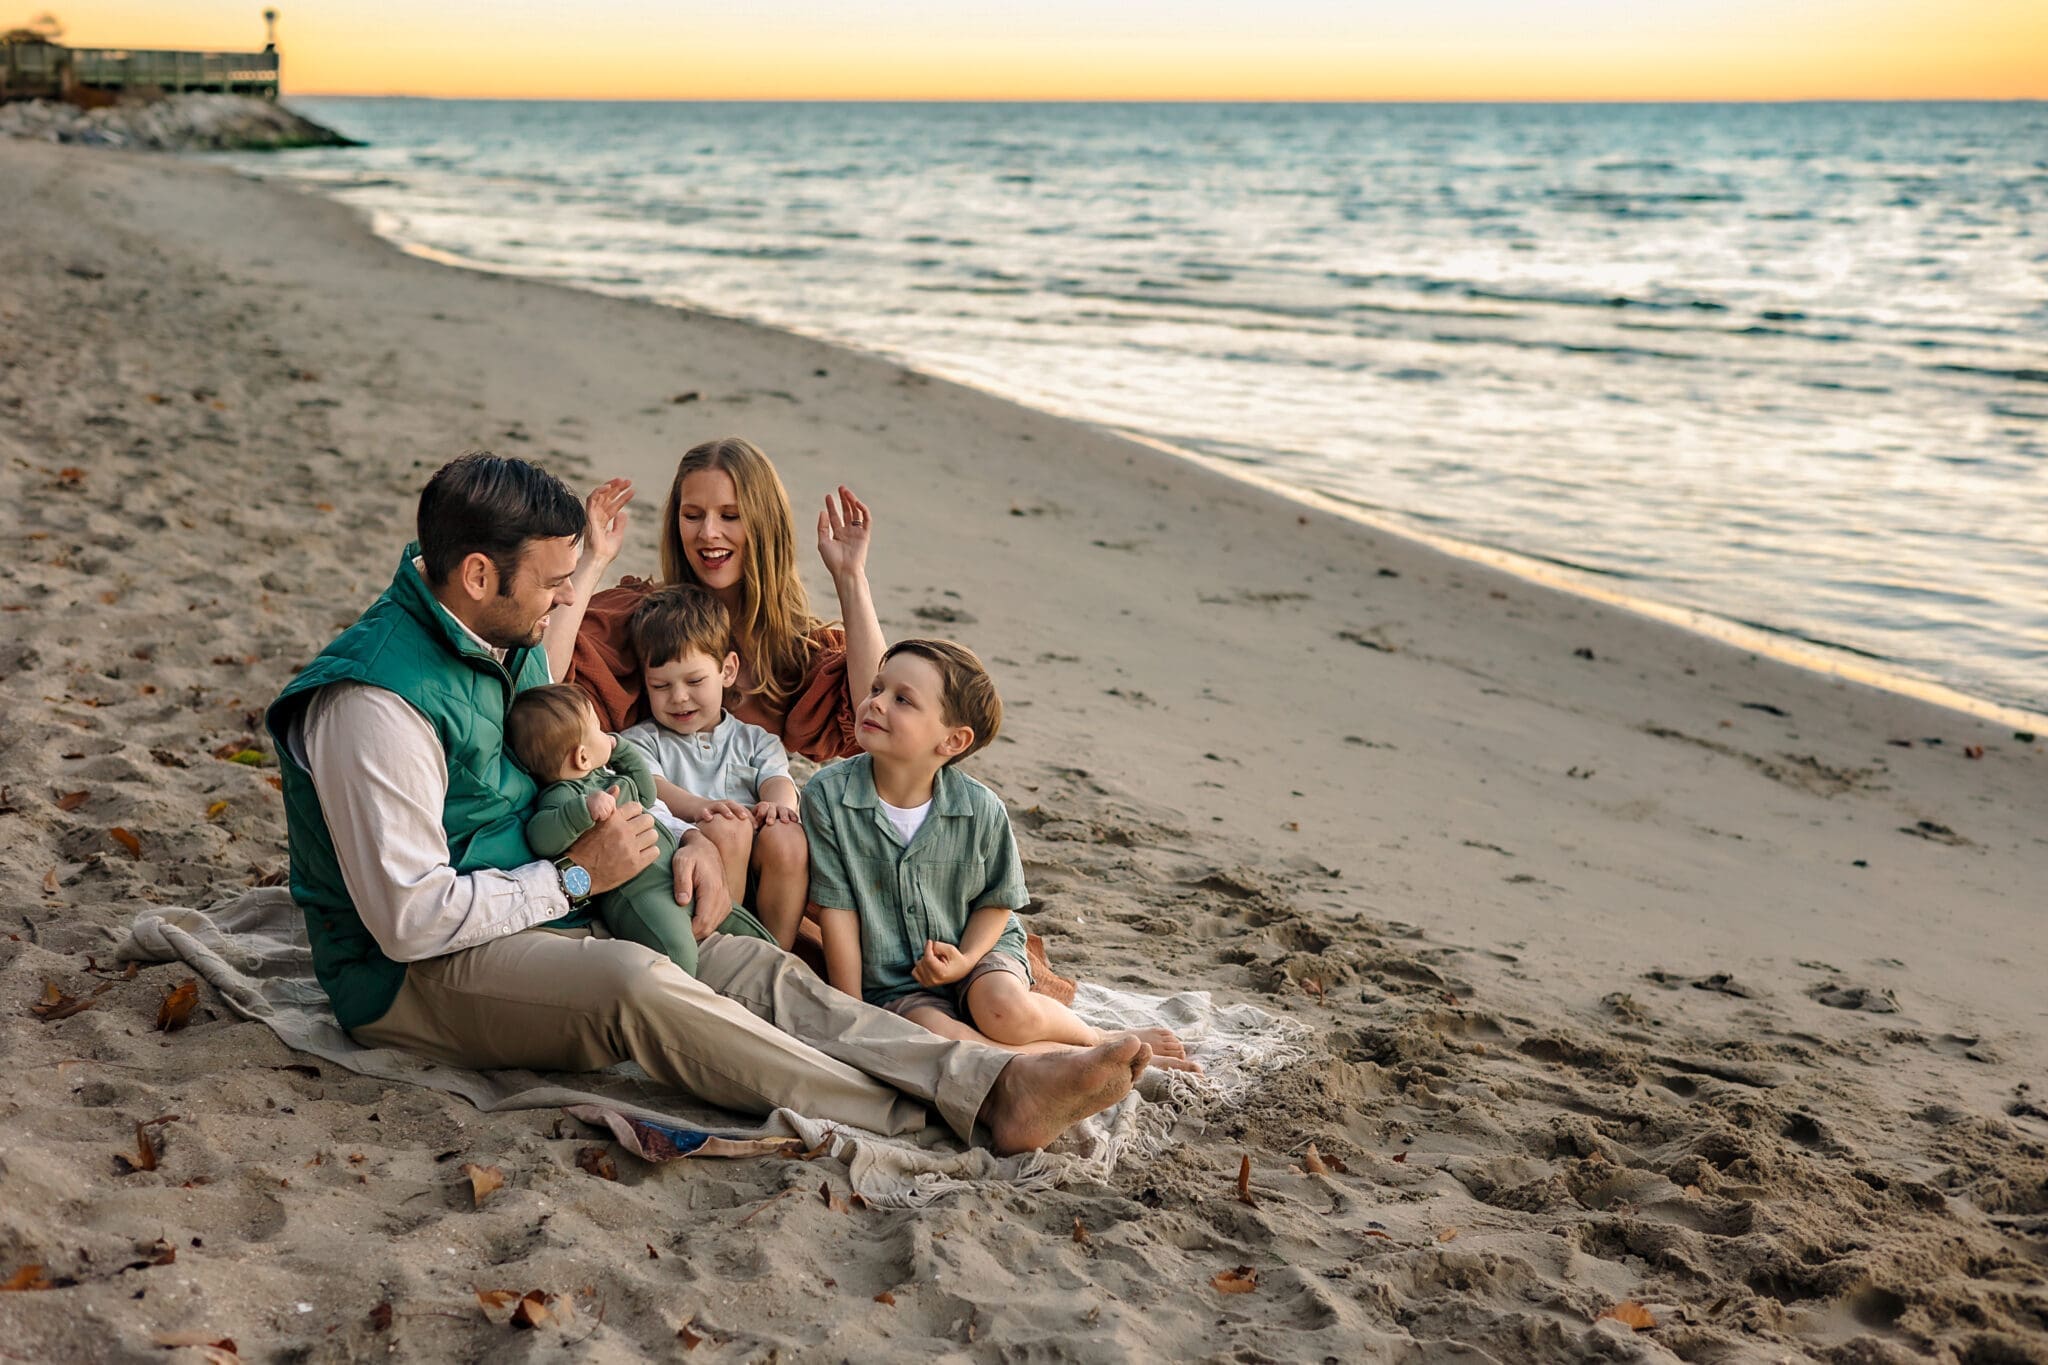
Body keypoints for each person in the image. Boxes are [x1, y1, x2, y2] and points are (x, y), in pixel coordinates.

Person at [265, 450, 1146, 1153]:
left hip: (549, 901)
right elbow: (409, 921)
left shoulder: (501, 633)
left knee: (739, 961)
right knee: (636, 980)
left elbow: (580, 770)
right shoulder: (372, 706)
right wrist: (575, 881)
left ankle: (990, 1079)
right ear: (479, 575)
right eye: (554, 581)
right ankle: (946, 1115)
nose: (573, 596)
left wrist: (679, 836)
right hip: (409, 977)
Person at [807, 639, 1195, 1072]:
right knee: (947, 1041)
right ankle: (1082, 1062)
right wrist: (850, 1009)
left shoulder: (982, 809)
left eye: (902, 699)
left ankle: (1099, 1037)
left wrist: (968, 960)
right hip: (898, 979)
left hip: (980, 949)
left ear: (953, 740)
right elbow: (837, 909)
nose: (875, 703)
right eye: (877, 688)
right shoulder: (827, 796)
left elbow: (997, 901)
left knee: (1005, 1012)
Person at [547, 435, 878, 767]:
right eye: (692, 515)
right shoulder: (645, 617)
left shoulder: (795, 649)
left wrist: (850, 577)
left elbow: (877, 715)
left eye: (730, 516)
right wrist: (594, 558)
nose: (707, 532)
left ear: (765, 524)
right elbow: (543, 674)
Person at [507, 683, 776, 977]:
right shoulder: (562, 796)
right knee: (677, 950)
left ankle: (767, 953)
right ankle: (691, 996)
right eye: (597, 728)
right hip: (641, 896)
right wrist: (582, 811)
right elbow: (541, 836)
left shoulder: (606, 776)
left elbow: (647, 794)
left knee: (749, 930)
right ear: (582, 757)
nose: (607, 736)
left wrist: (621, 750)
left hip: (672, 873)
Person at [618, 586, 808, 950]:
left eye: (694, 681)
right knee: (726, 825)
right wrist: (701, 808)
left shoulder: (755, 740)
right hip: (690, 866)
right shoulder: (642, 740)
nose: (679, 697)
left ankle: (776, 952)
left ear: (727, 670)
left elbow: (777, 779)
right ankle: (725, 946)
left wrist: (779, 806)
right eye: (661, 685)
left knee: (787, 835)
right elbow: (651, 784)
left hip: (758, 873)